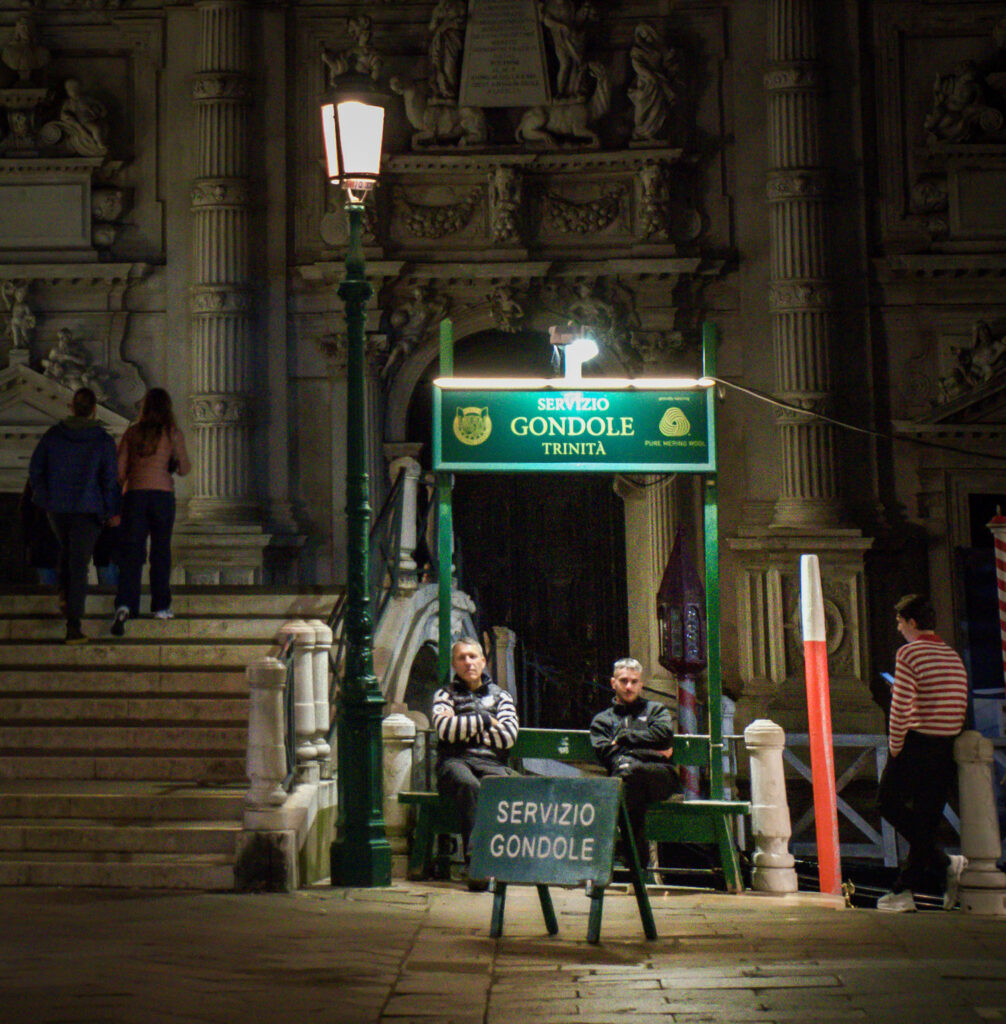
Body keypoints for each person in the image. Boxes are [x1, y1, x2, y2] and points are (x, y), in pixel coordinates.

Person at [876, 594, 969, 913]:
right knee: (926, 819)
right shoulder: (951, 655)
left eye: (900, 623)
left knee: (887, 802)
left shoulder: (909, 654)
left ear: (912, 622)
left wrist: (896, 748)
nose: (899, 629)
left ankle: (943, 864)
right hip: (946, 746)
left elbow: (899, 709)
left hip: (918, 743)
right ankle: (907, 889)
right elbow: (956, 700)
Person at [28, 387, 120, 644]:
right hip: (88, 509)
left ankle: (64, 595)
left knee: (68, 555)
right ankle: (73, 625)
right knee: (78, 563)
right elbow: (109, 481)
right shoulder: (102, 440)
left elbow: (36, 470)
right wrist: (111, 510)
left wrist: (44, 497)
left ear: (71, 407)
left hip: (57, 507)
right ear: (93, 409)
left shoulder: (53, 436)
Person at [432, 637, 519, 890]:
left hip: (492, 763)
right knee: (469, 785)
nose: (468, 662)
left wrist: (464, 723)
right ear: (454, 664)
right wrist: (485, 720)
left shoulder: (501, 696)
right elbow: (445, 731)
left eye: (473, 656)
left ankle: (507, 863)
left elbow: (507, 737)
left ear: (483, 661)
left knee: (508, 787)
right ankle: (477, 864)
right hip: (456, 761)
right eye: (462, 657)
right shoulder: (445, 694)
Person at [110, 388, 191, 636]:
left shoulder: (132, 433)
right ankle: (161, 606)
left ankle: (126, 604)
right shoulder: (172, 434)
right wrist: (173, 463)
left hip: (134, 496)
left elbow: (119, 470)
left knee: (132, 553)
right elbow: (185, 468)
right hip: (162, 497)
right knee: (160, 552)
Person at [589, 657, 680, 872]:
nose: (629, 686)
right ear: (613, 683)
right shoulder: (602, 721)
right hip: (629, 781)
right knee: (630, 789)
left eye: (634, 681)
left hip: (659, 777)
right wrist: (651, 750)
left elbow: (664, 735)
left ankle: (633, 865)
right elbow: (608, 755)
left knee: (626, 777)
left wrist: (624, 738)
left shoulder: (656, 711)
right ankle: (638, 869)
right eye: (623, 681)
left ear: (641, 684)